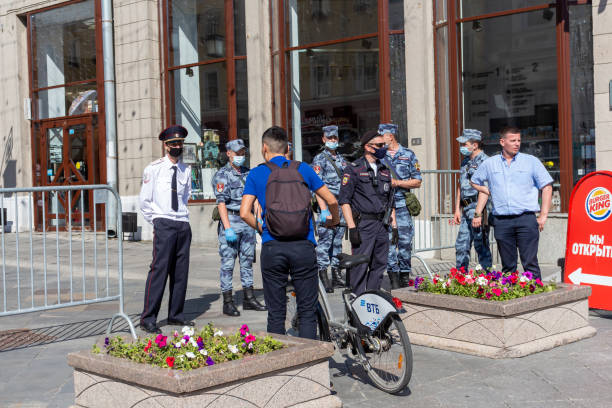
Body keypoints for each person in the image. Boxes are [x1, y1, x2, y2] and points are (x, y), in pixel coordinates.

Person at [240, 126, 340, 340]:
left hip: (273, 246)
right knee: (307, 311)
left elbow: (244, 213)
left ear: (264, 147)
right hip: (303, 245)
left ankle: (279, 364)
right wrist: (335, 220)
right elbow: (331, 200)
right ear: (287, 148)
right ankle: (311, 365)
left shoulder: (257, 173)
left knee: (275, 313)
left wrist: (262, 228)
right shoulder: (303, 169)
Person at [471, 126, 553, 280]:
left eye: (519, 140)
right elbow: (474, 181)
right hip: (502, 221)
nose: (517, 144)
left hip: (526, 219)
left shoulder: (531, 162)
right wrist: (488, 190)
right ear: (502, 142)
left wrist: (543, 216)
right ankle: (512, 297)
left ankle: (535, 298)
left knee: (530, 263)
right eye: (513, 140)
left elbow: (547, 187)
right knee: (508, 266)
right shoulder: (490, 163)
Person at [139, 125, 194, 334]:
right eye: (173, 144)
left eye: (179, 143)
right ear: (165, 145)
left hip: (182, 222)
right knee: (159, 270)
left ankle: (176, 315)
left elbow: (185, 196)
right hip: (164, 221)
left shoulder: (186, 169)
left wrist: (182, 218)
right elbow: (145, 200)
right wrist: (157, 221)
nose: (177, 147)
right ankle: (148, 317)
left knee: (181, 271)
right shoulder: (153, 168)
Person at [212, 139, 267, 317]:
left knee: (247, 261)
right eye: (237, 153)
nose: (240, 156)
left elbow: (256, 198)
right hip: (232, 220)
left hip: (248, 223)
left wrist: (258, 220)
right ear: (229, 153)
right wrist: (227, 228)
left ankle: (248, 298)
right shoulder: (222, 175)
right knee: (228, 264)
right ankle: (228, 302)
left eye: (243, 153)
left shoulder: (248, 173)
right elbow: (221, 203)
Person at [339, 129, 397, 296]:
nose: (382, 148)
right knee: (360, 265)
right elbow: (344, 201)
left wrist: (394, 225)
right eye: (379, 145)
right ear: (368, 147)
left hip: (381, 224)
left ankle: (372, 299)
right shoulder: (354, 169)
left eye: (383, 145)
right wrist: (352, 228)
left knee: (379, 264)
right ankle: (356, 301)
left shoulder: (385, 169)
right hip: (363, 224)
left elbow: (390, 199)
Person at [379, 123, 421, 289]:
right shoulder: (379, 156)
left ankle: (404, 275)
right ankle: (393, 277)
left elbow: (417, 181)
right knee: (388, 242)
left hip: (402, 204)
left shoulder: (408, 154)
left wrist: (398, 183)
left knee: (404, 242)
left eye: (382, 136)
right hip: (385, 206)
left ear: (391, 136)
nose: (380, 139)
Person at [311, 125, 348, 293]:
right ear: (323, 139)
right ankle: (323, 275)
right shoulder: (319, 159)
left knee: (337, 242)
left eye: (335, 138)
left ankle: (336, 274)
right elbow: (317, 186)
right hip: (327, 204)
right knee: (325, 242)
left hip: (340, 206)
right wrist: (323, 209)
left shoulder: (342, 159)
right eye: (330, 138)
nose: (333, 140)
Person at [451, 129, 492, 271]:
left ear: (475, 145)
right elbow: (460, 185)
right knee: (461, 245)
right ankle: (460, 277)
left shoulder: (485, 161)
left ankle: (486, 277)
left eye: (465, 143)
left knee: (481, 245)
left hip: (479, 208)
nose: (462, 146)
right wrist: (457, 209)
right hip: (465, 209)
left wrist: (478, 213)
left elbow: (485, 188)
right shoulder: (465, 161)